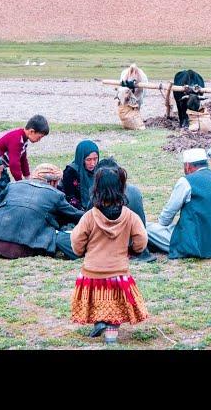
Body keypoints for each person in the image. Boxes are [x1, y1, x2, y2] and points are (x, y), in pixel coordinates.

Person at [70, 165, 149, 344]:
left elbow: (76, 240)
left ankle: (99, 320)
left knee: (100, 298)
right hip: (118, 272)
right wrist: (134, 250)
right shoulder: (130, 216)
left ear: (96, 189)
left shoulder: (89, 216)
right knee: (115, 306)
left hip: (91, 272)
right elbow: (141, 239)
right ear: (122, 187)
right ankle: (111, 336)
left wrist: (81, 252)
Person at [0, 163, 84, 259]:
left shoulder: (13, 186)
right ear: (53, 182)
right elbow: (75, 215)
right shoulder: (55, 194)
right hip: (22, 248)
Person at [146, 148, 211, 259]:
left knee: (144, 227)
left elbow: (166, 217)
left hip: (196, 244)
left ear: (187, 166)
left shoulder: (186, 181)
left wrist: (162, 226)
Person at [55, 156, 157, 263]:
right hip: (131, 246)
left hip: (104, 249)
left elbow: (85, 233)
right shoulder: (135, 191)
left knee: (61, 239)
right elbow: (141, 235)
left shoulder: (97, 196)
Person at [0, 114, 49, 187]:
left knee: (7, 189)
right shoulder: (17, 139)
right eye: (39, 137)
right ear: (32, 131)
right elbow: (14, 164)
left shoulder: (23, 139)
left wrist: (27, 177)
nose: (39, 140)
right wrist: (21, 182)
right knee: (4, 192)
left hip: (0, 168)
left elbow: (23, 159)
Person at [60, 140, 100, 211]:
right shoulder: (71, 172)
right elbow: (70, 198)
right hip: (76, 211)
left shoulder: (99, 170)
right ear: (81, 158)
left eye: (95, 159)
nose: (93, 163)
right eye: (88, 159)